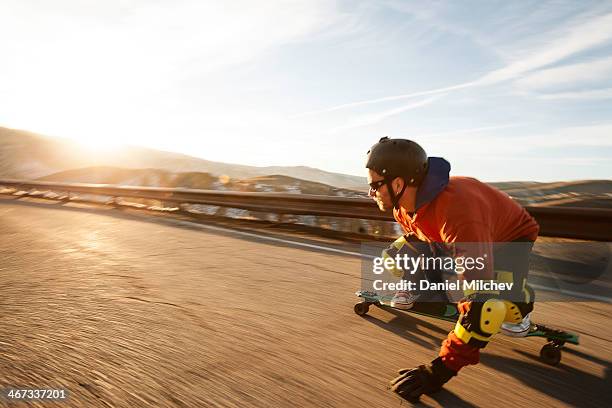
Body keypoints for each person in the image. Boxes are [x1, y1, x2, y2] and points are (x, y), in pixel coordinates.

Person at [365, 137, 539, 402]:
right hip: (458, 233)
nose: (371, 193)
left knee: (491, 308)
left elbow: (481, 307)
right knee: (395, 256)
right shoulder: (402, 207)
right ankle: (418, 286)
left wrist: (438, 372)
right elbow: (423, 233)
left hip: (509, 239)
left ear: (398, 183)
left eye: (375, 185)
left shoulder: (458, 213)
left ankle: (520, 299)